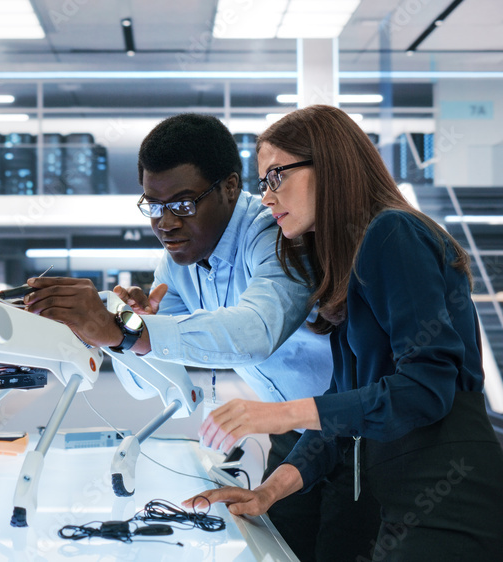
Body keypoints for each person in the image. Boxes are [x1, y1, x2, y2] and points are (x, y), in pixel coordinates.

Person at [23, 113, 379, 561]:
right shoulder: (176, 261)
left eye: (183, 204)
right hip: (299, 434)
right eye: (153, 205)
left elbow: (256, 331)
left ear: (230, 187)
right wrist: (122, 333)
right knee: (281, 549)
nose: (166, 222)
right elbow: (144, 384)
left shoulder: (273, 231)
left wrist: (128, 331)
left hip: (360, 426)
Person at [185, 105, 503, 560]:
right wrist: (269, 492)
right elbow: (343, 411)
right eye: (263, 183)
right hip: (405, 501)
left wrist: (280, 415)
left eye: (277, 176)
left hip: (451, 504)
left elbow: (425, 389)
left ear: (330, 165)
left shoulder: (393, 233)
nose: (268, 197)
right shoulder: (353, 262)